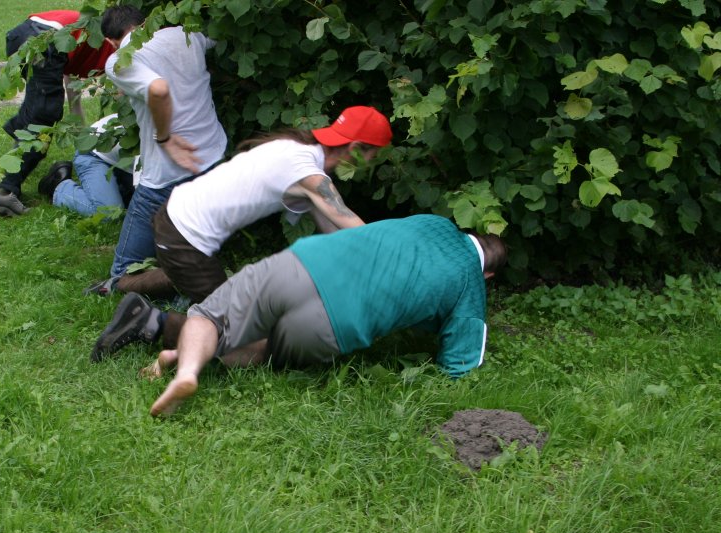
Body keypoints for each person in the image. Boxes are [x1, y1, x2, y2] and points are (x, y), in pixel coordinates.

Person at [89, 106, 392, 361]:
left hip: (174, 218)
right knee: (235, 334)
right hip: (185, 238)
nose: (371, 164)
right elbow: (353, 227)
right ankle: (151, 322)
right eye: (373, 156)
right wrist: (392, 261)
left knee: (184, 272)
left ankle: (115, 285)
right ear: (355, 148)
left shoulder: (297, 150)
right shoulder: (308, 173)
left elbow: (332, 230)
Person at [140, 214, 508, 416]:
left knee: (211, 315)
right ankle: (189, 357)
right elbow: (460, 363)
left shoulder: (435, 221)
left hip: (306, 262)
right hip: (335, 321)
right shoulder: (470, 283)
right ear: (488, 275)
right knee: (268, 349)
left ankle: (183, 363)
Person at [86, 5, 228, 296]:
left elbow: (158, 89)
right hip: (213, 159)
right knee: (190, 232)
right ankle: (197, 270)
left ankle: (189, 277)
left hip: (167, 175)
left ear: (111, 41)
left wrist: (164, 138)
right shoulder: (186, 35)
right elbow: (221, 36)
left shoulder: (120, 60)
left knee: (124, 273)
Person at [0, 9, 117, 217]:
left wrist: (79, 126)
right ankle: (4, 191)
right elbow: (123, 94)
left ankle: (16, 157)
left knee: (37, 110)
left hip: (23, 35)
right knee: (43, 118)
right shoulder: (118, 53)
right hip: (47, 40)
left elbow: (71, 77)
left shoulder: (97, 38)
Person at [37, 113, 136, 217]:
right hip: (94, 153)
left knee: (129, 205)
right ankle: (59, 186)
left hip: (121, 163)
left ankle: (114, 191)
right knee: (109, 213)